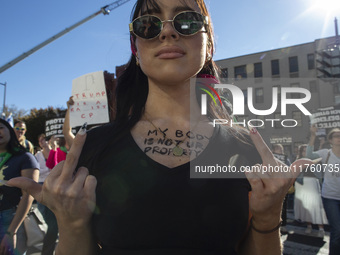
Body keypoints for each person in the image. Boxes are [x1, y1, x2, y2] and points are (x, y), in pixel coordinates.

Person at [8, 1, 314, 254]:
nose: (167, 31)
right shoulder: (93, 147)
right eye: (149, 25)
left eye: (187, 21)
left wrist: (268, 216)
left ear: (208, 46)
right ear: (136, 50)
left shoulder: (247, 147)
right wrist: (71, 224)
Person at [0, 118, 39, 255]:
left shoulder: (25, 157)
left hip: (10, 218)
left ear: (9, 131)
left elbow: (29, 194)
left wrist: (12, 231)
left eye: (1, 128)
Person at [307, 126, 340, 255]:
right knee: (337, 230)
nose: (339, 138)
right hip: (330, 197)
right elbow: (309, 156)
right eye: (336, 136)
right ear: (330, 140)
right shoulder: (325, 153)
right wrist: (313, 136)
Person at [293, 144, 327, 237]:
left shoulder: (315, 159)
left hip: (312, 182)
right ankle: (309, 226)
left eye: (306, 150)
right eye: (303, 150)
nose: (305, 152)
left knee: (316, 205)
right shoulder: (298, 161)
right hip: (301, 184)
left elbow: (320, 173)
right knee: (305, 206)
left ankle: (321, 229)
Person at [35, 134, 59, 255]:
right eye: (40, 141)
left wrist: (54, 149)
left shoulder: (56, 151)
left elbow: (54, 167)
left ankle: (47, 252)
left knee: (52, 225)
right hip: (40, 188)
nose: (43, 142)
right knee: (49, 221)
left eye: (44, 139)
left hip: (53, 189)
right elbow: (37, 171)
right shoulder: (37, 155)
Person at [271, 144, 291, 234]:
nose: (280, 150)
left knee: (283, 207)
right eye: (278, 148)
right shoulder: (270, 159)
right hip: (273, 185)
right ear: (273, 150)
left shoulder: (286, 159)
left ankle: (283, 225)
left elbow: (290, 170)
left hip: (283, 185)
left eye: (281, 149)